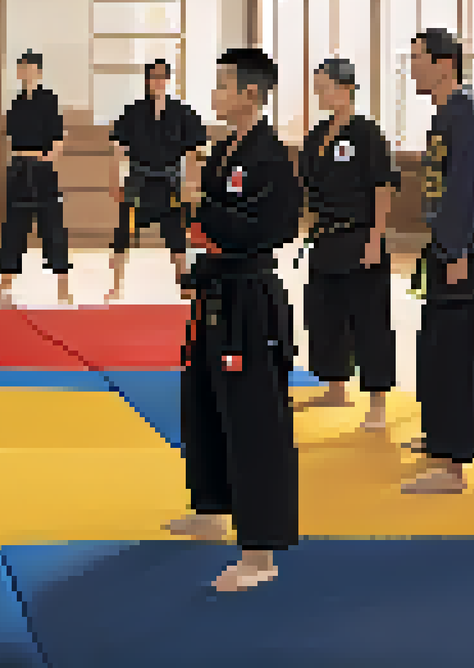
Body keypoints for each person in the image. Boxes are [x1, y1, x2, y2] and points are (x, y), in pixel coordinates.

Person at [163, 47, 302, 593]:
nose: (214, 95)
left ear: (251, 93)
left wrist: (202, 205)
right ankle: (212, 506)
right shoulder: (223, 152)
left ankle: (261, 550)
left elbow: (264, 231)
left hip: (249, 297)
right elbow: (208, 227)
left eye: (222, 86)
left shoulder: (272, 158)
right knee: (203, 402)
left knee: (252, 418)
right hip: (214, 289)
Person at [401, 28, 474, 495]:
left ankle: (453, 466)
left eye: (419, 59)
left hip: (468, 253)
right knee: (438, 350)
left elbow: (472, 188)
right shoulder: (448, 113)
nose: (413, 68)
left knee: (461, 356)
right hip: (448, 249)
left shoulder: (470, 116)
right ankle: (439, 439)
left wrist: (459, 249)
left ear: (445, 63)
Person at [292, 58, 398, 432]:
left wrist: (376, 238)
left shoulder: (367, 133)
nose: (320, 93)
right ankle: (336, 385)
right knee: (325, 316)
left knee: (369, 320)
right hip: (324, 238)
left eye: (325, 86)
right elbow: (302, 184)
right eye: (317, 86)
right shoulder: (318, 135)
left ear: (347, 87)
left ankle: (378, 401)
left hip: (360, 236)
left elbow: (382, 187)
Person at [107, 59, 208, 301]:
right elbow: (117, 149)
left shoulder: (181, 111)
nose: (158, 82)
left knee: (177, 236)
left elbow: (196, 150)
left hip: (170, 183)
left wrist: (192, 184)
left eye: (162, 77)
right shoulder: (133, 111)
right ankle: (116, 285)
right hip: (138, 182)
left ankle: (185, 284)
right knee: (123, 234)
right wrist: (114, 181)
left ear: (168, 80)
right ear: (146, 80)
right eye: (153, 77)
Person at [0, 51, 71, 307]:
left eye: (29, 68)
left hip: (42, 170)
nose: (24, 73)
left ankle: (63, 286)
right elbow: (11, 140)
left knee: (53, 228)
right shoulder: (15, 103)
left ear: (38, 72)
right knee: (13, 227)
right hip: (18, 169)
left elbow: (58, 138)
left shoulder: (49, 100)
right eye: (21, 68)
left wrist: (48, 160)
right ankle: (5, 281)